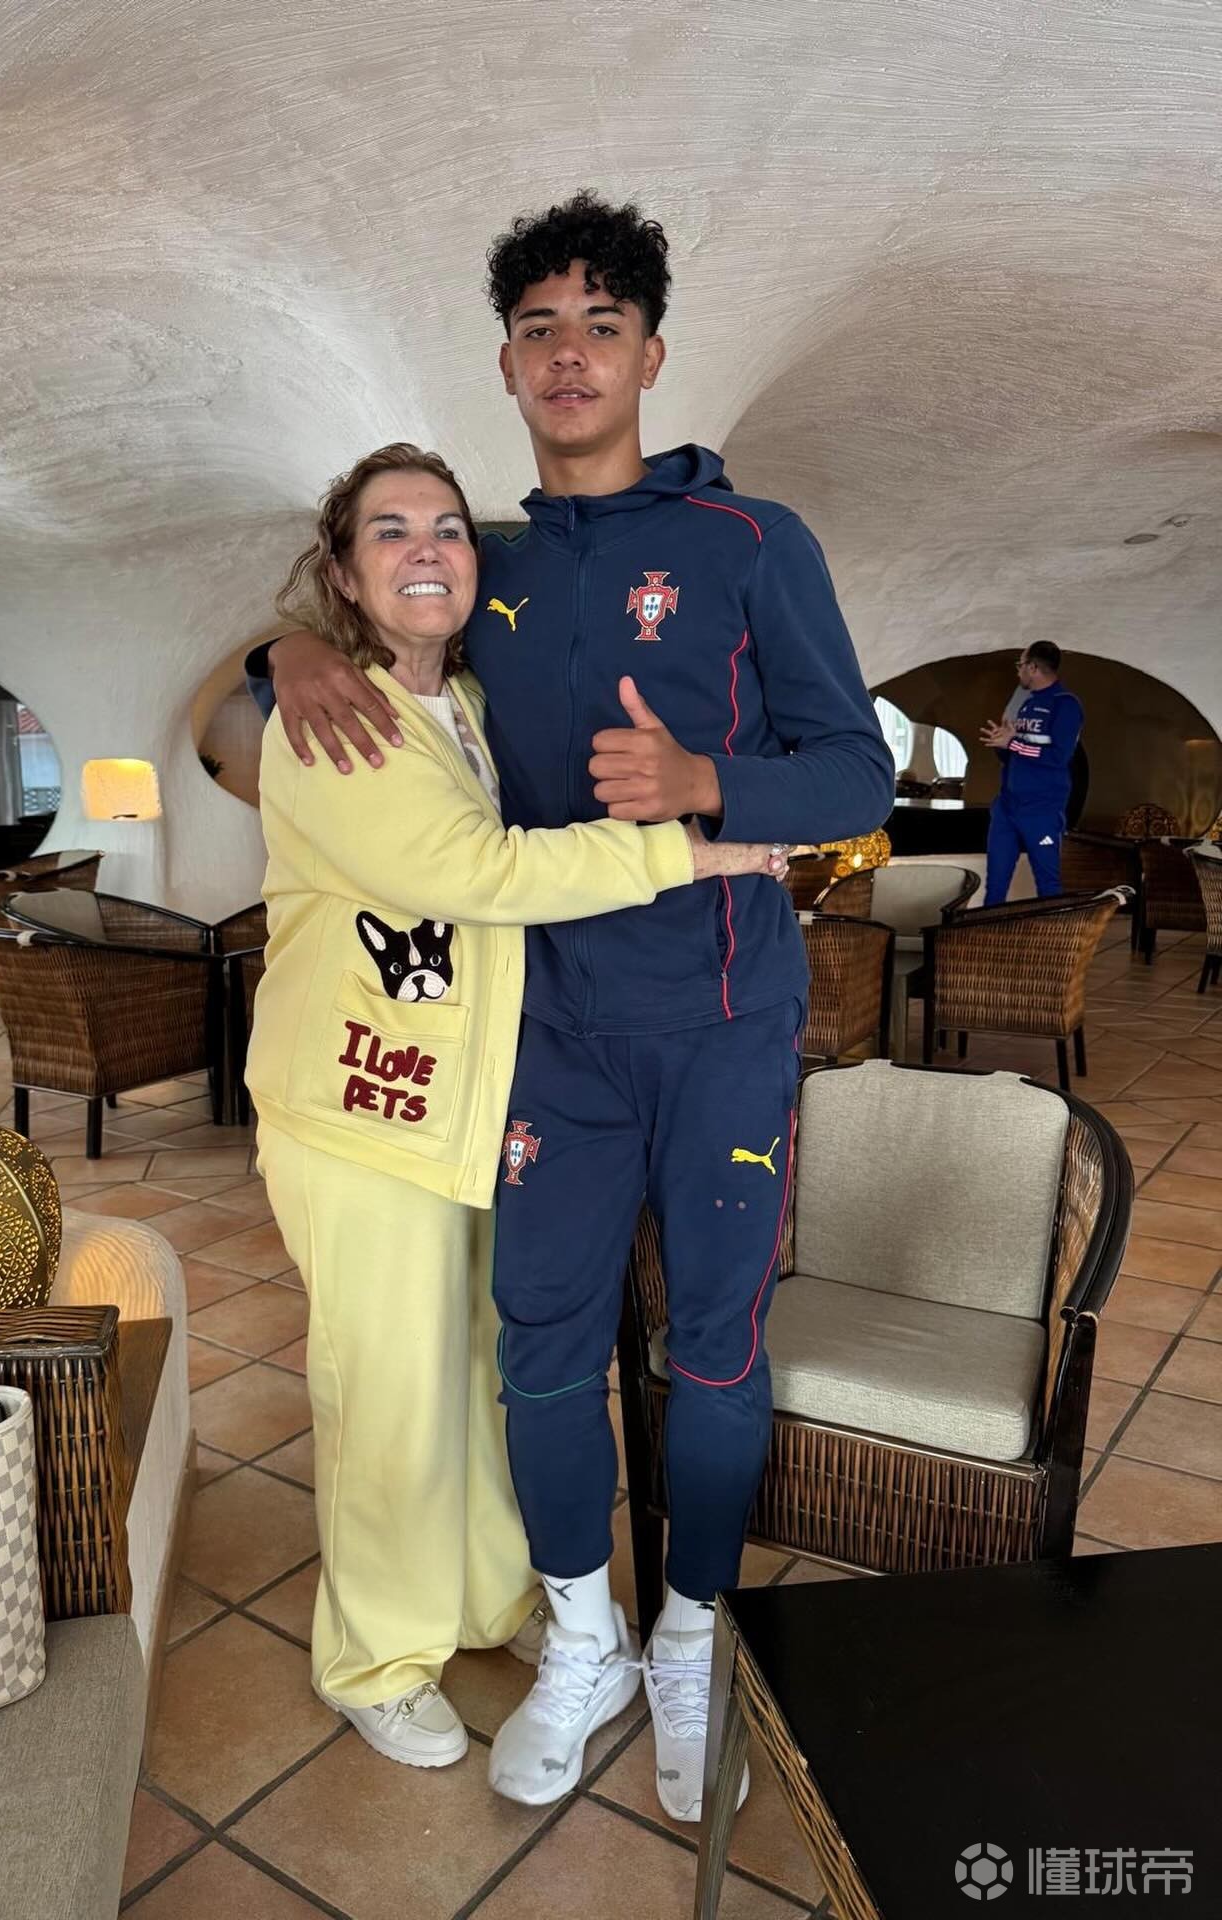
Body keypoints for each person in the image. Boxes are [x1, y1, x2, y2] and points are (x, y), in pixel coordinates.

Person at [259, 191, 894, 1820]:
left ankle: (687, 1634)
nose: (569, 352)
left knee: (716, 1346)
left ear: (651, 355)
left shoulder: (755, 543)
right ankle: (584, 1637)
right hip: (545, 1040)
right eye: (538, 326)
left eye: (602, 324)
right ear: (506, 361)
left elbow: (855, 773)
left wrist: (707, 781)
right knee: (538, 1346)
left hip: (727, 1018)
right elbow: (369, 621)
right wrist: (288, 652)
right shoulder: (492, 565)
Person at [244, 441, 787, 1772]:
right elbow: (479, 871)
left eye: (445, 525)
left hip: (472, 1102)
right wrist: (700, 852)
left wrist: (280, 646)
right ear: (342, 572)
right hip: (356, 1113)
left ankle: (494, 1602)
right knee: (386, 1396)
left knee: (483, 1378)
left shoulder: (470, 702)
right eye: (387, 530)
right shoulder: (334, 726)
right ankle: (376, 1658)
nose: (424, 548)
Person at [980, 642, 1084, 905]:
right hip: (1007, 807)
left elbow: (1059, 757)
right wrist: (1000, 743)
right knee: (995, 885)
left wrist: (1013, 744)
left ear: (1033, 667)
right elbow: (1012, 755)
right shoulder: (1023, 703)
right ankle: (989, 931)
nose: (1018, 671)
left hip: (1042, 808)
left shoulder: (1065, 704)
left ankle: (1051, 933)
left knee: (1048, 883)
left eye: (1021, 665)